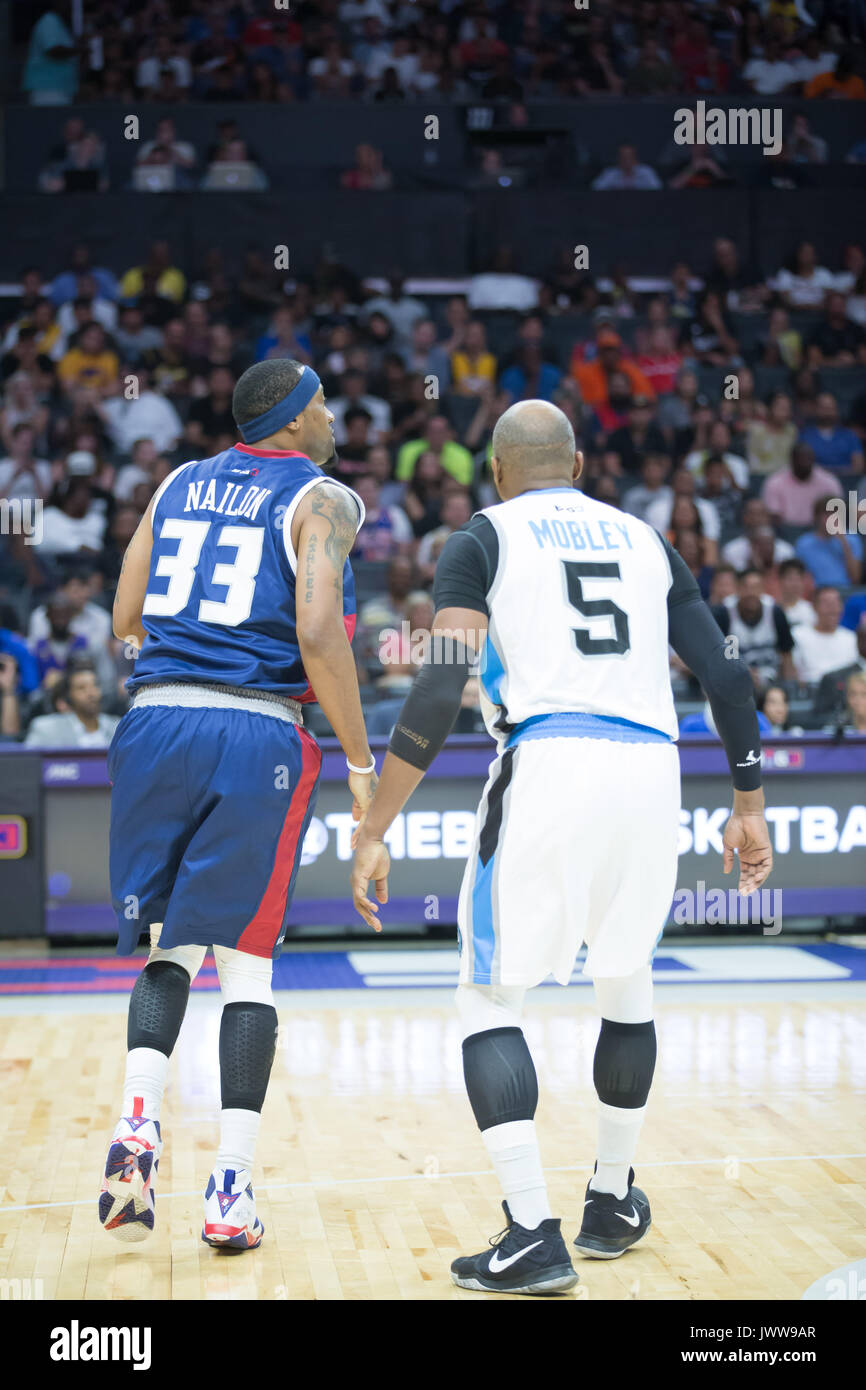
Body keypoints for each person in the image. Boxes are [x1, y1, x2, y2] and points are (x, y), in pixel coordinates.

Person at [350, 398, 772, 1295]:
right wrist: (749, 802)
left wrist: (375, 823)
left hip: (549, 755)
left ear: (497, 472)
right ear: (577, 466)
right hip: (655, 769)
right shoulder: (647, 540)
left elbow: (437, 690)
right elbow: (729, 676)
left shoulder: (483, 536)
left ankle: (531, 1233)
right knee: (628, 983)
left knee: (487, 995)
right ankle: (612, 1201)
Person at [99, 359, 375, 1250]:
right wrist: (361, 756)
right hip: (252, 730)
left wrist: (184, 657)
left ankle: (137, 1123)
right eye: (324, 402)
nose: (333, 415)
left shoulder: (177, 481)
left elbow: (123, 616)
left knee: (167, 944)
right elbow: (316, 628)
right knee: (248, 968)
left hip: (152, 719)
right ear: (294, 421)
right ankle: (230, 1190)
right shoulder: (324, 499)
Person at [713, 569, 796, 686]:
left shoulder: (775, 612)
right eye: (746, 587)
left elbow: (787, 654)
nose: (751, 593)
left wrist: (790, 685)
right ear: (737, 589)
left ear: (763, 590)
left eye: (756, 587)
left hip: (772, 681)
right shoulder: (723, 614)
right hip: (734, 682)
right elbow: (715, 658)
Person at [25, 663, 119, 747]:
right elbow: (29, 763)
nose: (91, 693)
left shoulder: (119, 728)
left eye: (95, 685)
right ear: (69, 697)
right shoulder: (46, 729)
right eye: (81, 688)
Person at [792, 586, 859, 684]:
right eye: (827, 603)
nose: (833, 609)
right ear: (814, 607)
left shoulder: (850, 637)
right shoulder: (798, 635)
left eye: (836, 603)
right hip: (811, 691)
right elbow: (793, 675)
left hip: (844, 692)